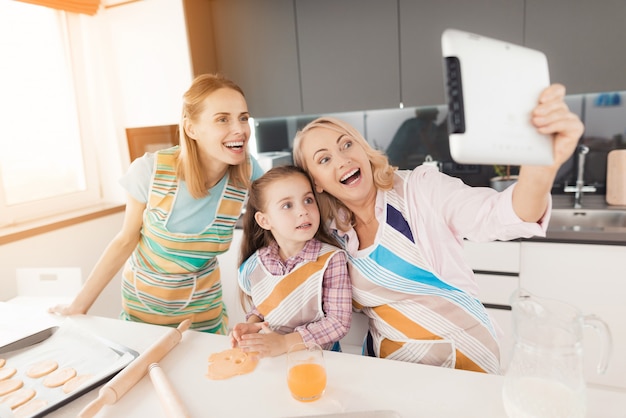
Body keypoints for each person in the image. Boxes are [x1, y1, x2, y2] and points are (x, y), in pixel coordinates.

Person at [292, 84, 584, 374]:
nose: (343, 160)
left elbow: (498, 215)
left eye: (346, 144)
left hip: (465, 363)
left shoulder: (420, 190)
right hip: (391, 372)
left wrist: (543, 167)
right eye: (324, 159)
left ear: (362, 148)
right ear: (316, 182)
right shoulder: (332, 233)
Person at [50, 74, 263, 334]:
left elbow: (282, 220)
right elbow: (125, 241)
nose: (240, 129)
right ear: (191, 128)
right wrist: (77, 306)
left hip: (203, 315)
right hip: (144, 314)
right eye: (222, 119)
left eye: (243, 117)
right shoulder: (149, 171)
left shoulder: (248, 172)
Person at [230, 165, 352, 357]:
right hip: (274, 359)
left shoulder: (331, 260)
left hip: (320, 360)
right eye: (287, 205)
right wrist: (252, 325)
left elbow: (338, 323)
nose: (303, 211)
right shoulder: (255, 265)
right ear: (264, 220)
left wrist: (285, 342)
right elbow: (267, 305)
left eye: (308, 200)